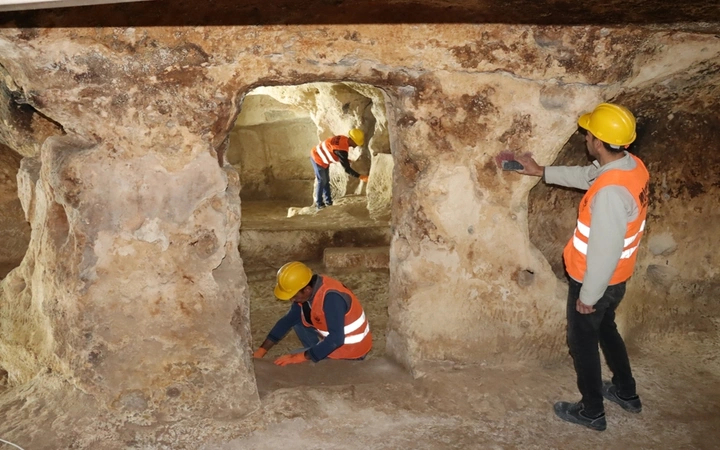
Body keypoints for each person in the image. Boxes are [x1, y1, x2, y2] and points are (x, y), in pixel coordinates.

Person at [513, 103, 649, 431]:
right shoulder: (630, 167)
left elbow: (604, 250)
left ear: (598, 142)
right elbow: (588, 175)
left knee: (582, 341)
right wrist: (541, 170)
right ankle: (626, 392)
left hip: (595, 280)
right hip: (616, 278)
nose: (586, 138)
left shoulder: (610, 194)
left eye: (589, 134)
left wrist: (588, 296)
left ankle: (591, 411)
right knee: (606, 329)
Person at [253, 261, 373, 366]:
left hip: (350, 351)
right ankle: (316, 350)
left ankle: (320, 356)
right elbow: (287, 321)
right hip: (336, 340)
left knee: (289, 362)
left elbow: (336, 340)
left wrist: (300, 357)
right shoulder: (311, 288)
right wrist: (261, 351)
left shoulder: (331, 299)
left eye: (294, 296)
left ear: (307, 290)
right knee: (298, 319)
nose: (292, 300)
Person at [310, 128, 370, 210]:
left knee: (326, 180)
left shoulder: (343, 139)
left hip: (322, 156)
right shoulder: (342, 150)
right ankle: (319, 204)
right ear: (352, 140)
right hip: (317, 157)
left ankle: (328, 201)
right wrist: (361, 177)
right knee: (322, 180)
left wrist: (344, 160)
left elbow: (333, 150)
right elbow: (347, 169)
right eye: (356, 143)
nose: (356, 146)